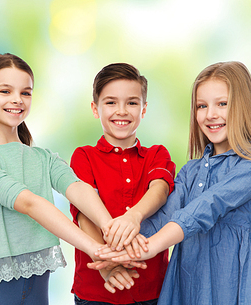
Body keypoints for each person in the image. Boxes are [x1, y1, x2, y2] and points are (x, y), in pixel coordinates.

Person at [95, 61, 251, 305]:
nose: (210, 114)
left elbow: (207, 206)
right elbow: (164, 216)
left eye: (222, 104)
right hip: (186, 282)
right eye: (201, 106)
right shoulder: (190, 170)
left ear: (244, 106)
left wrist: (149, 247)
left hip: (232, 285)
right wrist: (118, 247)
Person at [0, 53, 114, 304]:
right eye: (5, 91)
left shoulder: (43, 158)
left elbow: (77, 188)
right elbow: (30, 204)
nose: (17, 100)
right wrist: (94, 249)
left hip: (37, 280)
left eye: (26, 92)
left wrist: (110, 228)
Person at [69, 63, 176, 305]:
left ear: (144, 109)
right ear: (95, 109)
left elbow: (159, 189)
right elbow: (83, 214)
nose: (122, 111)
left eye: (132, 102)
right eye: (110, 102)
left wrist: (133, 217)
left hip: (151, 288)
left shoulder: (157, 154)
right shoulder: (84, 156)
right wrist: (107, 265)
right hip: (95, 289)